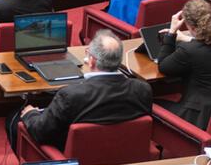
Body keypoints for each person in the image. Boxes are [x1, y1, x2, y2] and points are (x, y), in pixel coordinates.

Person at [13, 32, 153, 152]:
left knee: (13, 121)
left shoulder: (70, 95)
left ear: (91, 60)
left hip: (76, 160)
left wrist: (30, 114)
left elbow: (41, 133)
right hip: (126, 155)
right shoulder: (143, 89)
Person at [152, 0, 211, 129]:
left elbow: (163, 66)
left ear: (190, 26)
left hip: (201, 120)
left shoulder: (190, 51)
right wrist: (188, 39)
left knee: (150, 103)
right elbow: (207, 44)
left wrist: (171, 33)